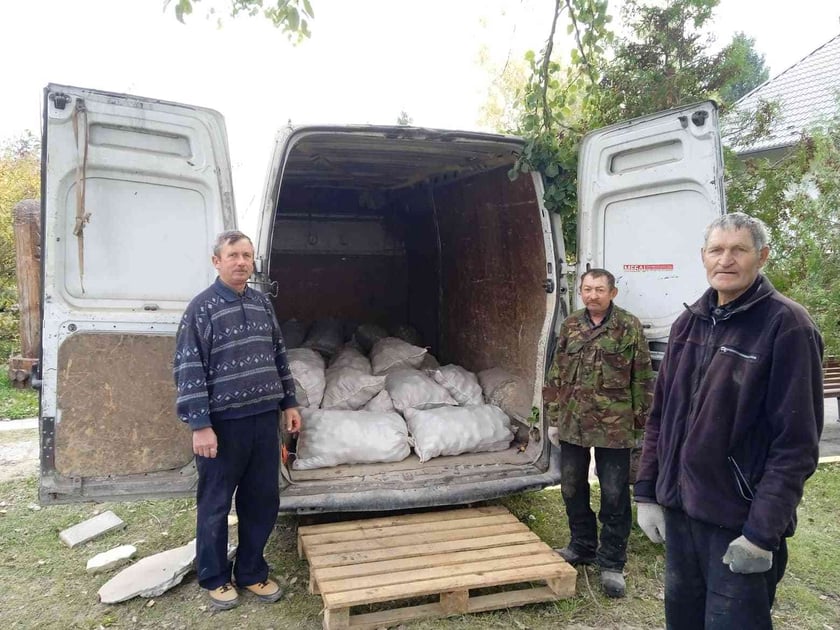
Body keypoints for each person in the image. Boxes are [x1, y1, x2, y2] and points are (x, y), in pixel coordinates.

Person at [634, 213, 824, 629]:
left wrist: (760, 535)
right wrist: (647, 493)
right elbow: (660, 418)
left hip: (738, 523)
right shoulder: (688, 324)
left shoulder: (786, 326)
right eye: (717, 250)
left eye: (739, 249)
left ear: (763, 256)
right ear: (703, 257)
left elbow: (796, 446)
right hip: (682, 516)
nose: (726, 260)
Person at [173, 230, 302, 610]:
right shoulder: (201, 309)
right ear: (217, 261)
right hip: (222, 426)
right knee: (215, 503)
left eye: (247, 255)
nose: (242, 262)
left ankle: (251, 571)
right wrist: (200, 424)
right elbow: (188, 368)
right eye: (233, 255)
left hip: (264, 420)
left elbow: (279, 354)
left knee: (262, 500)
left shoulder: (262, 303)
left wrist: (289, 403)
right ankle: (214, 577)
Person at [544, 268, 654, 598]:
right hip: (573, 423)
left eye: (599, 289)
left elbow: (643, 377)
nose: (592, 295)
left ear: (612, 293)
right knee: (571, 488)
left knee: (615, 493)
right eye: (587, 289)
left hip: (615, 426)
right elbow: (556, 372)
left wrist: (641, 423)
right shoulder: (571, 325)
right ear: (581, 291)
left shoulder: (628, 326)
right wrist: (552, 417)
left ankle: (612, 562)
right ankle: (582, 547)